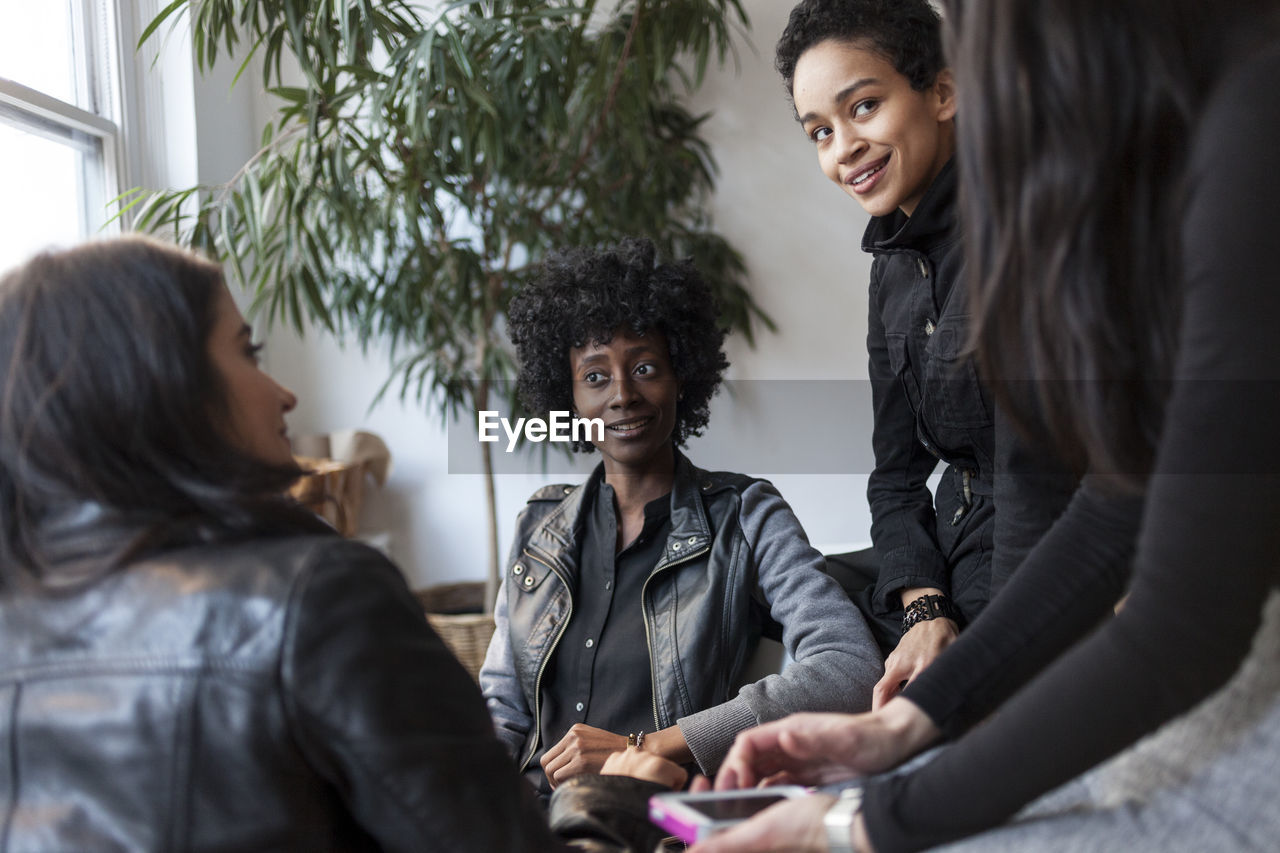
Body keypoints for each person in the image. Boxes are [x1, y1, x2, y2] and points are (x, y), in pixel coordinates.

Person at [691, 0, 1280, 850]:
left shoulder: (1251, 125)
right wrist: (904, 726)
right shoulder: (1185, 126)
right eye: (818, 128)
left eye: (863, 107)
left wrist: (859, 819)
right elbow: (1127, 492)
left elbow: (1181, 622)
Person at [0, 235, 683, 852]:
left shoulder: (18, 616)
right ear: (160, 381)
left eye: (645, 368)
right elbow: (502, 705)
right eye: (247, 351)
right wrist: (617, 797)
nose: (286, 393)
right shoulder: (320, 597)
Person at [479, 237, 883, 799]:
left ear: (682, 378)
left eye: (645, 367)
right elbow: (501, 707)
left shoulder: (746, 515)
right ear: (567, 396)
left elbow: (849, 668)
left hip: (652, 818)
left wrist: (650, 746)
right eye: (595, 376)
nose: (623, 394)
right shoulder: (538, 524)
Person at [773, 0, 1073, 708]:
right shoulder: (892, 267)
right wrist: (921, 602)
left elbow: (1064, 476)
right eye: (820, 131)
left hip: (1036, 551)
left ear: (943, 91)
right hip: (947, 550)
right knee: (772, 585)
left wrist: (953, 619)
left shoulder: (1028, 230)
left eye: (864, 107)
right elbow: (897, 473)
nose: (842, 148)